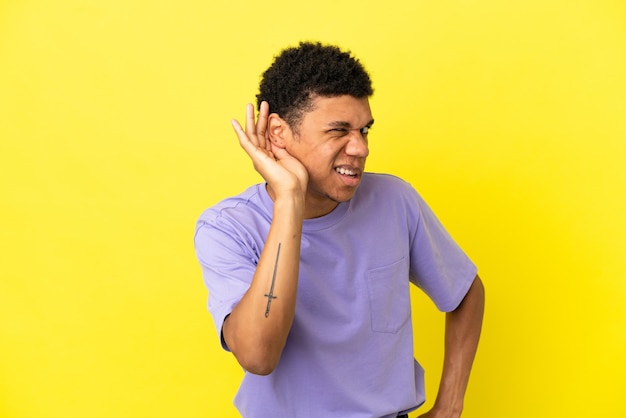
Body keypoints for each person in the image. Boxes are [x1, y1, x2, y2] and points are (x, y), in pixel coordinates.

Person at [194, 41, 485, 418]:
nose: (360, 148)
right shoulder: (227, 227)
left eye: (364, 130)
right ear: (278, 133)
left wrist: (450, 405)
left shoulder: (395, 201)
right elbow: (258, 356)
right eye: (339, 130)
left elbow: (465, 291)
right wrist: (288, 201)